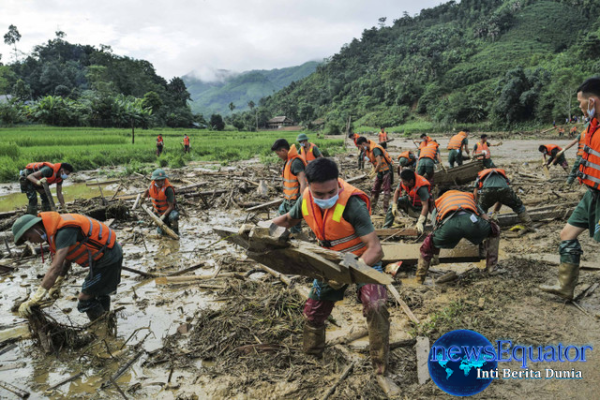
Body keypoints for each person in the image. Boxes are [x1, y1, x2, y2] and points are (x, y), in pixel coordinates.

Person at [272, 158, 389, 375]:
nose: (327, 198)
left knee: (376, 305)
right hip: (330, 259)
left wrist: (349, 269)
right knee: (313, 313)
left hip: (359, 259)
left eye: (331, 192)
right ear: (309, 185)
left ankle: (380, 367)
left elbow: (375, 249)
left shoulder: (353, 204)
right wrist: (263, 228)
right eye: (320, 194)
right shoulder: (305, 198)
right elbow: (289, 219)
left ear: (337, 182)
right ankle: (312, 357)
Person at [540, 77, 600, 300]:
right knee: (567, 234)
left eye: (580, 102)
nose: (579, 107)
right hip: (592, 194)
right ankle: (565, 287)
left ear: (592, 102)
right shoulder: (592, 126)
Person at [12, 212, 122, 322]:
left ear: (35, 228)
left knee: (84, 298)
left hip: (108, 257)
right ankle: (107, 321)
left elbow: (55, 267)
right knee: (98, 293)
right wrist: (58, 282)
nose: (32, 242)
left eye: (29, 237)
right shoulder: (55, 232)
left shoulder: (64, 231)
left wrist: (36, 297)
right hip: (103, 257)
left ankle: (101, 327)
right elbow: (67, 258)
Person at [417, 189, 500, 284]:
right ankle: (491, 267)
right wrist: (485, 232)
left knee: (428, 244)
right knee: (494, 230)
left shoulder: (439, 202)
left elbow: (436, 228)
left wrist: (435, 253)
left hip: (449, 227)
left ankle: (420, 278)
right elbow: (485, 217)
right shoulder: (466, 197)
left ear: (441, 196)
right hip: (471, 222)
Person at [271, 139, 307, 234]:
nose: (278, 156)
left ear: (283, 150)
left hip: (295, 201)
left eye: (278, 154)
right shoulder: (288, 160)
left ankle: (298, 242)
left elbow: (303, 183)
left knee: (295, 228)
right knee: (279, 219)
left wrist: (302, 202)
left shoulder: (296, 162)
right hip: (287, 200)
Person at [357, 136, 394, 214]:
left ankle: (385, 210)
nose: (360, 149)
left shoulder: (375, 149)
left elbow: (379, 162)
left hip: (386, 170)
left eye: (360, 147)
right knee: (374, 189)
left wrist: (374, 173)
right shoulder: (367, 150)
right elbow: (372, 161)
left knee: (386, 190)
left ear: (363, 144)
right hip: (380, 171)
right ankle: (371, 208)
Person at [144, 169, 179, 235]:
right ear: (154, 180)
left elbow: (171, 206)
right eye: (158, 181)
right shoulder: (151, 185)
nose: (160, 182)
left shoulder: (168, 189)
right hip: (158, 212)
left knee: (174, 217)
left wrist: (163, 216)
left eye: (162, 180)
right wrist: (142, 198)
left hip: (168, 212)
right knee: (161, 233)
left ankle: (176, 231)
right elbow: (147, 191)